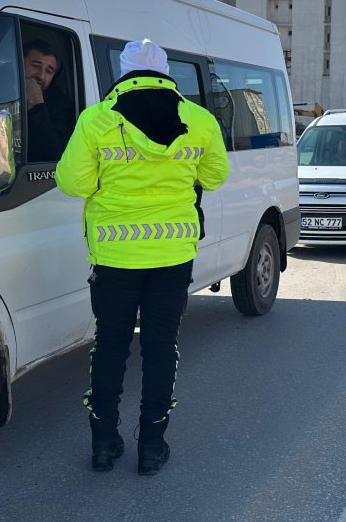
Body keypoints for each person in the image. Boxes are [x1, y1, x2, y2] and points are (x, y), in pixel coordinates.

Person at [56, 40, 229, 474]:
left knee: (111, 345)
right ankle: (151, 446)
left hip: (114, 255)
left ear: (124, 73)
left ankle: (103, 444)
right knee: (160, 347)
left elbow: (73, 183)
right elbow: (216, 175)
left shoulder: (97, 119)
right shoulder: (200, 119)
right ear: (166, 73)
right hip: (173, 254)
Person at [23, 40, 77, 162]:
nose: (41, 75)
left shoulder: (61, 105)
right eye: (35, 66)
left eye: (49, 71)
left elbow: (53, 156)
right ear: (20, 63)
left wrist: (36, 105)